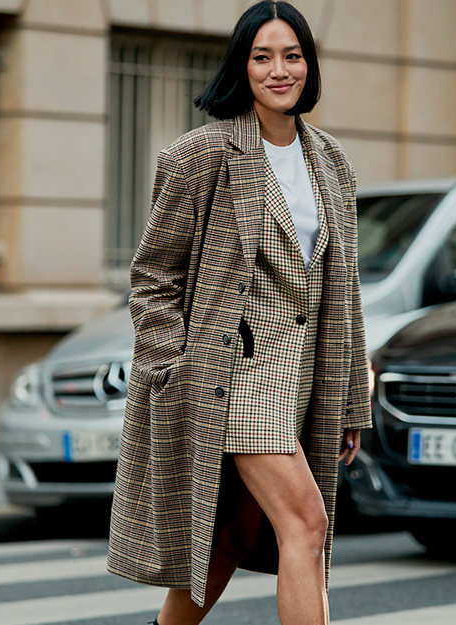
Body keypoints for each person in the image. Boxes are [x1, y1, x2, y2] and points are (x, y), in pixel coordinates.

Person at [107, 2, 372, 624]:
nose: (279, 71)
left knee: (230, 537)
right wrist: (181, 370)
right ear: (241, 65)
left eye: (292, 55)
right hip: (234, 378)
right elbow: (151, 279)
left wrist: (349, 400)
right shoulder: (201, 155)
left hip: (304, 378)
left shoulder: (330, 160)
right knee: (307, 524)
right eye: (262, 57)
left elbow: (345, 289)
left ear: (309, 64)